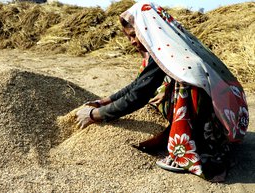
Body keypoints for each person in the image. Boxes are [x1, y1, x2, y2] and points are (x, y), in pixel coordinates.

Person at [75, 1, 249, 182]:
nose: (133, 41)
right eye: (129, 37)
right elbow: (138, 84)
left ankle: (194, 149)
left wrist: (95, 115)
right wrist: (104, 101)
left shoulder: (170, 52)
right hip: (227, 115)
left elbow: (139, 95)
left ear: (148, 29)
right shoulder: (164, 48)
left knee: (185, 84)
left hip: (216, 122)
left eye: (135, 34)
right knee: (165, 88)